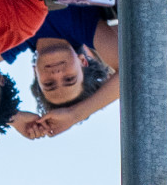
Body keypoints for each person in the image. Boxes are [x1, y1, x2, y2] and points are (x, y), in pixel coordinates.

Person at [15, 11, 120, 140]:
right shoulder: (84, 26)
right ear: (83, 62)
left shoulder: (14, 35)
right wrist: (75, 115)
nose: (57, 74)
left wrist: (12, 117)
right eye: (69, 79)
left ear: (35, 73)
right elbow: (132, 72)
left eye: (49, 84)